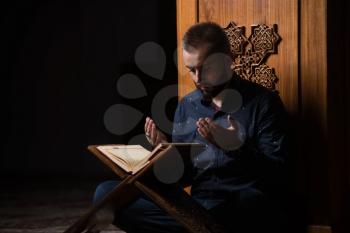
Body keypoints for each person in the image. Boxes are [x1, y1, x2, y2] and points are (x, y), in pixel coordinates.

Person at [93, 22, 289, 233]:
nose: (198, 79)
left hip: (241, 206)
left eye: (205, 69)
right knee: (106, 193)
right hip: (198, 208)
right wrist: (165, 154)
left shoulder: (264, 103)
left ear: (227, 60)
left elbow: (277, 175)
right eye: (191, 70)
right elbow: (184, 177)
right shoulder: (187, 106)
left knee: (252, 206)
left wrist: (236, 148)